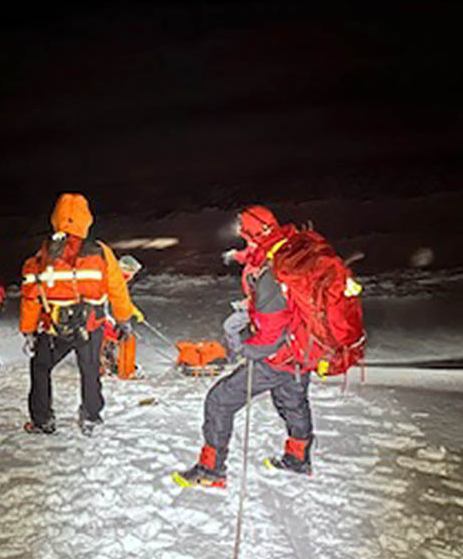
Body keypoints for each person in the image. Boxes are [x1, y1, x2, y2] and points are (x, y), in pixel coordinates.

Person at [174, 206, 314, 488]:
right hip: (304, 348)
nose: (238, 231)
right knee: (292, 401)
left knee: (219, 400)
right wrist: (238, 256)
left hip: (279, 355)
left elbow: (270, 334)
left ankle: (211, 470)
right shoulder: (285, 250)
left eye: (242, 228)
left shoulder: (271, 275)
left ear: (254, 230)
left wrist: (245, 349)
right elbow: (260, 256)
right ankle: (298, 458)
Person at [20, 193, 135, 435]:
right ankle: (91, 416)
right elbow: (117, 287)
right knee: (90, 371)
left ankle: (42, 420)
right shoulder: (100, 251)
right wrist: (123, 318)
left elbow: (31, 295)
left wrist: (28, 330)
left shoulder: (44, 253)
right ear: (86, 219)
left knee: (40, 367)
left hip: (55, 327)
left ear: (55, 218)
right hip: (90, 325)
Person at [101, 254, 145, 379]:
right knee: (108, 336)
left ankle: (109, 362)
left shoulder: (117, 280)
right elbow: (114, 298)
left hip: (102, 312)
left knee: (113, 335)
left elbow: (120, 300)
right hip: (95, 312)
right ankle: (103, 365)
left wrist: (132, 310)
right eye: (130, 273)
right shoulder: (112, 279)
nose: (131, 277)